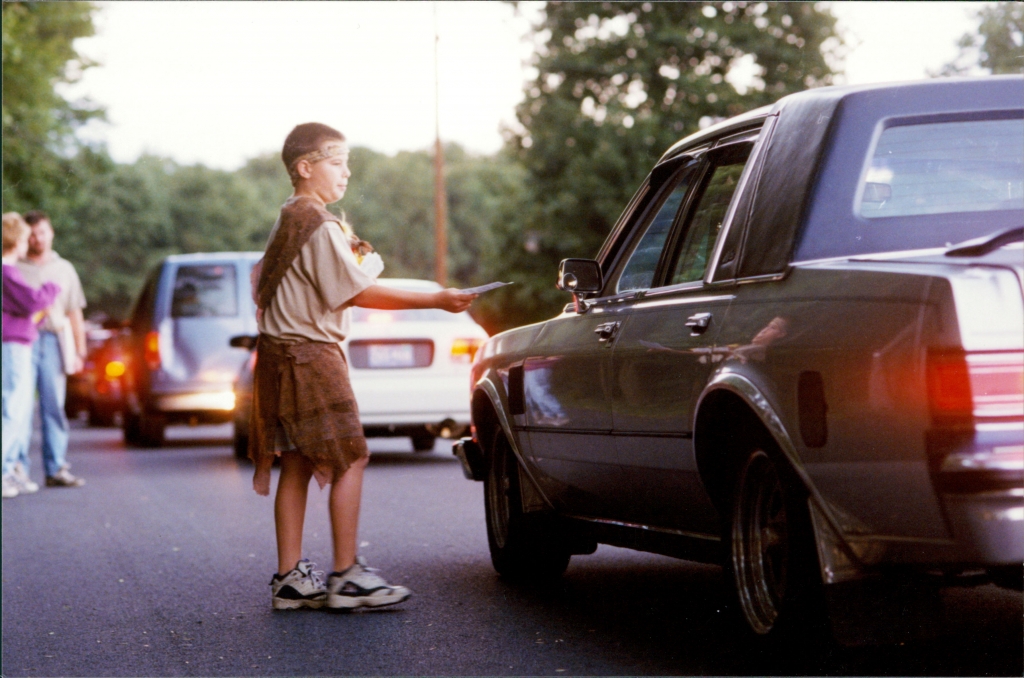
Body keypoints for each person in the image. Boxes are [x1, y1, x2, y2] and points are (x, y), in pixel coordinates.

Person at [251, 122, 476, 611]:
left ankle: (289, 579)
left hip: (278, 355)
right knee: (351, 456)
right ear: (304, 168)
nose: (346, 172)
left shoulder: (289, 217)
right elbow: (356, 291)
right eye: (336, 162)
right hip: (310, 356)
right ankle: (347, 576)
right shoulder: (320, 224)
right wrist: (436, 298)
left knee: (296, 462)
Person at [15, 210, 87, 488]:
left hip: (54, 340)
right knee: (18, 405)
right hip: (23, 340)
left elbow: (74, 312)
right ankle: (17, 467)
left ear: (51, 233)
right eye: (31, 234)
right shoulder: (14, 266)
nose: (37, 239)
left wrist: (80, 351)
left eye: (42, 232)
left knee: (53, 405)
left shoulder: (64, 268)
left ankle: (56, 467)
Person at [2, 213, 60, 498]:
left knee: (20, 410)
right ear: (15, 240)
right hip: (12, 346)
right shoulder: (7, 271)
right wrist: (51, 288)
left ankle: (10, 469)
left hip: (17, 341)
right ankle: (3, 470)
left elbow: (20, 314)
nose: (29, 243)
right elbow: (32, 300)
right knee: (13, 410)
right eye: (25, 238)